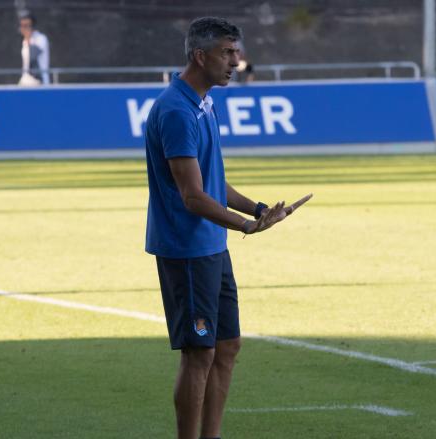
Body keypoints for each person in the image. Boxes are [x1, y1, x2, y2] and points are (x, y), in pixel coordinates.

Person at [144, 17, 312, 439]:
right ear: (200, 56)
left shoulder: (203, 103)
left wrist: (257, 210)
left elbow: (213, 182)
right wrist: (245, 226)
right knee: (198, 354)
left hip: (211, 246)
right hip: (186, 249)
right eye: (227, 53)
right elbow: (192, 196)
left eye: (236, 52)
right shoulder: (176, 110)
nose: (236, 62)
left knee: (227, 346)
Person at [18, 11, 50, 86]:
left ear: (32, 25)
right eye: (22, 25)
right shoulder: (25, 41)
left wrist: (28, 39)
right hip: (26, 81)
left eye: (27, 25)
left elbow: (33, 57)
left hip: (40, 82)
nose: (24, 28)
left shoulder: (41, 38)